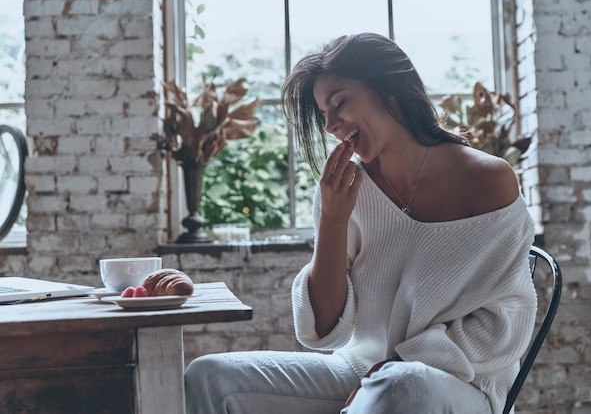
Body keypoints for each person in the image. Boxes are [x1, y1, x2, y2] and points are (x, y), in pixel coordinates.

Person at [184, 32, 537, 414]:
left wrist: (397, 366)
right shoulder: (346, 188)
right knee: (210, 375)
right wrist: (333, 221)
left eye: (340, 103)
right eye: (324, 115)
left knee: (403, 384)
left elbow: (504, 322)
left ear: (390, 91)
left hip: (461, 384)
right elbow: (324, 328)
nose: (331, 124)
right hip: (362, 372)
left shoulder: (486, 179)